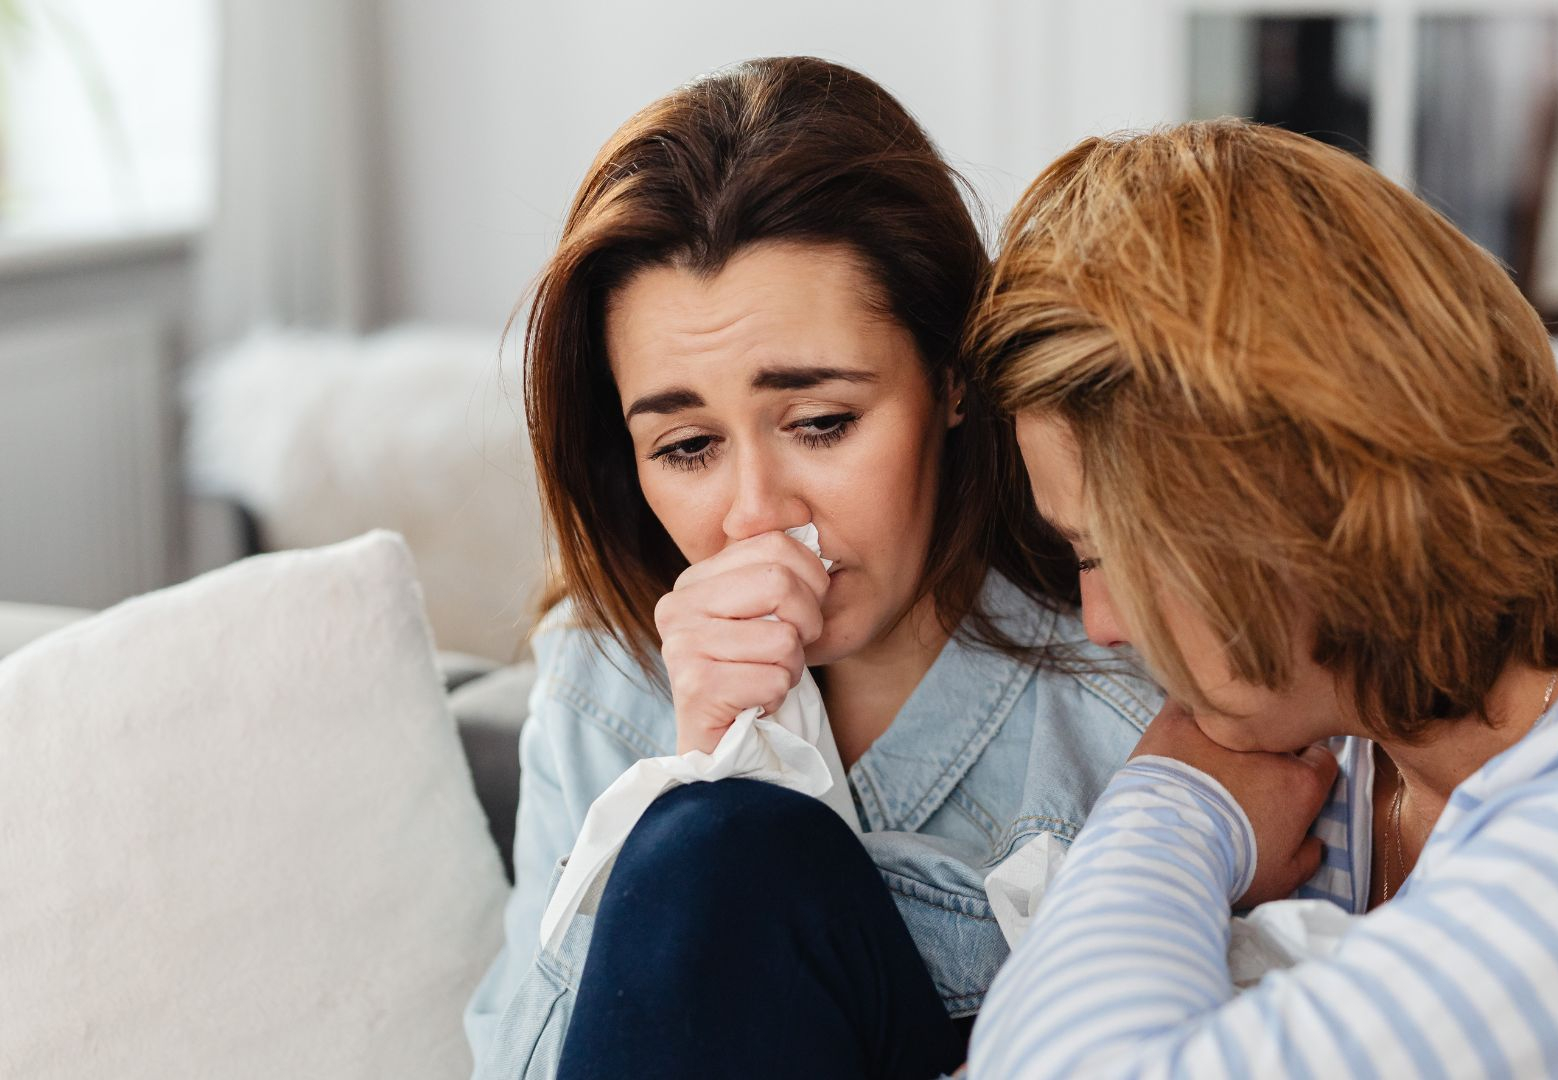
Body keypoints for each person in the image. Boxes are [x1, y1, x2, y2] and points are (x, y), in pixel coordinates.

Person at [966, 119, 1558, 1078]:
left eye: (1110, 556)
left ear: (1295, 510)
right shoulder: (1354, 749)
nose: (1103, 623)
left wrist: (1171, 804)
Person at [462, 58, 1156, 1080]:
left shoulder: (1122, 695)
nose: (755, 516)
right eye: (687, 447)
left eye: (822, 424)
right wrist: (696, 774)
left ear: (952, 381)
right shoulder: (604, 677)